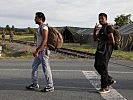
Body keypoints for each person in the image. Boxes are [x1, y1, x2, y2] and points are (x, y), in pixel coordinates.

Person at [26, 12, 54, 92]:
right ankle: (35, 84)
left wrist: (37, 50)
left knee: (46, 68)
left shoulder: (44, 27)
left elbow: (45, 40)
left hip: (43, 51)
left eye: (36, 17)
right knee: (34, 66)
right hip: (39, 51)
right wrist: (37, 50)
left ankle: (50, 85)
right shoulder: (40, 27)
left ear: (40, 18)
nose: (34, 19)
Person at [93, 13, 116, 94]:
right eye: (99, 18)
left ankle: (105, 87)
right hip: (99, 50)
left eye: (102, 18)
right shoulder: (101, 28)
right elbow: (95, 39)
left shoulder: (108, 27)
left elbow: (112, 40)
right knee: (96, 65)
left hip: (105, 51)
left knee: (103, 67)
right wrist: (95, 30)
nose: (100, 20)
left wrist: (106, 47)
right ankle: (109, 79)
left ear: (106, 19)